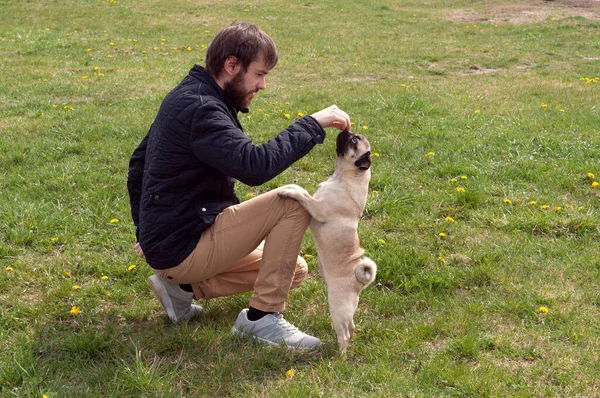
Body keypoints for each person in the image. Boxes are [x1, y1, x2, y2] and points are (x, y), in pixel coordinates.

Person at [127, 22, 351, 350]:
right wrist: (311, 124)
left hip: (179, 238)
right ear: (232, 66)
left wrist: (147, 231)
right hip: (183, 243)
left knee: (295, 270)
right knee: (292, 201)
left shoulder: (191, 95)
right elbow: (254, 166)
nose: (263, 85)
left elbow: (138, 164)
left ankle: (181, 290)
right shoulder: (202, 108)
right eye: (259, 74)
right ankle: (262, 319)